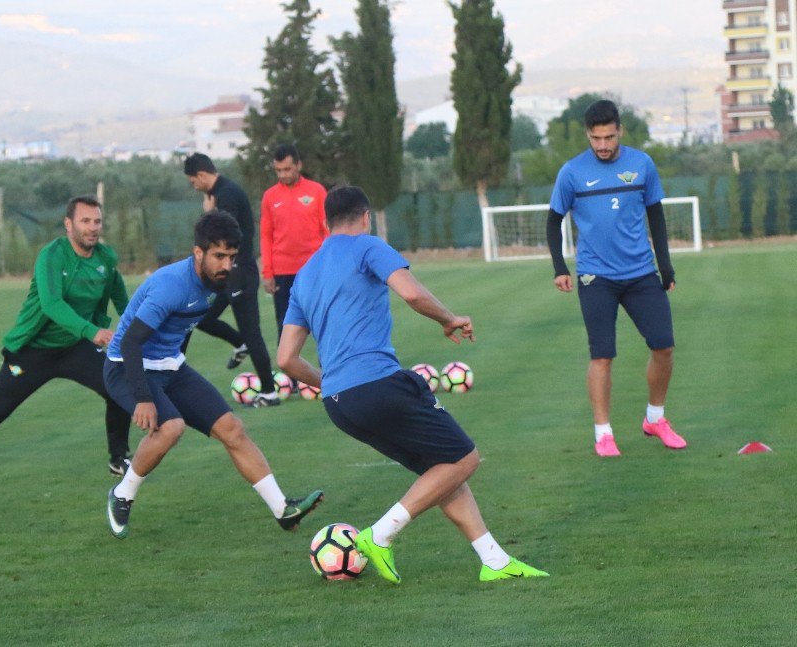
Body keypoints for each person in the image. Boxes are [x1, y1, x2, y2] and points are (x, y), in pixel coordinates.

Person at [277, 185, 548, 585]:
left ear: (325, 222)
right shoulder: (368, 246)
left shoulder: (304, 276)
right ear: (365, 216)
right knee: (465, 459)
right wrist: (449, 319)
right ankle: (379, 536)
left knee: (442, 469)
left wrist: (333, 383)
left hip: (340, 404)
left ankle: (493, 559)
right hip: (378, 384)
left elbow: (285, 358)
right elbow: (411, 293)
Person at [104, 210, 323, 539]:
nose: (226, 264)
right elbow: (132, 342)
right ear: (198, 252)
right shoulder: (170, 286)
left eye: (231, 256)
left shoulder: (222, 282)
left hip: (169, 366)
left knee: (232, 428)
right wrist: (145, 398)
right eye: (218, 256)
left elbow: (190, 324)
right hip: (126, 365)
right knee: (171, 427)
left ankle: (283, 509)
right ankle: (122, 493)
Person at [0, 196, 132, 492]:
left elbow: (121, 299)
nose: (92, 228)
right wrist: (92, 331)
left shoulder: (105, 259)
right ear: (68, 225)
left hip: (75, 348)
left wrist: (137, 328)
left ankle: (118, 459)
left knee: (119, 390)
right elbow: (51, 304)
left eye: (96, 221)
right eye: (85, 221)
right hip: (33, 350)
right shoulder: (52, 256)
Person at [546, 99, 686, 458]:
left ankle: (655, 418)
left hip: (641, 273)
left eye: (609, 137)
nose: (603, 145)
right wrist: (560, 267)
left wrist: (665, 265)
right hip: (596, 276)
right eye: (596, 138)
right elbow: (553, 220)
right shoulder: (572, 172)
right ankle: (603, 433)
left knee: (664, 346)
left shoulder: (642, 164)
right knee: (602, 355)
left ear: (620, 130)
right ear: (587, 135)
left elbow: (656, 216)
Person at [182, 153, 279, 407]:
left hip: (240, 273)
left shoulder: (227, 194)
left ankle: (269, 391)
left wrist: (209, 212)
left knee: (252, 331)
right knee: (200, 316)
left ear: (201, 176)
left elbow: (225, 236)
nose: (195, 187)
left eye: (193, 182)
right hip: (228, 276)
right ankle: (239, 344)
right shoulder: (221, 192)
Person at [259, 143, 328, 338]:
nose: (283, 175)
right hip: (283, 271)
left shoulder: (317, 191)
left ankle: (331, 368)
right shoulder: (270, 197)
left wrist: (328, 263)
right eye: (278, 170)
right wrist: (267, 272)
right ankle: (288, 369)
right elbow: (266, 236)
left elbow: (328, 231)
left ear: (299, 165)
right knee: (285, 327)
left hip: (313, 269)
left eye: (287, 169)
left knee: (324, 324)